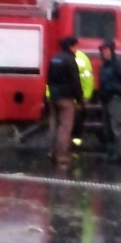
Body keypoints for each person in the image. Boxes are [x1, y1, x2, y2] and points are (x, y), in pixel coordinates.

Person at [46, 36, 85, 166]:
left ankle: (51, 152)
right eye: (76, 46)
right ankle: (61, 155)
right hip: (66, 98)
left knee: (54, 125)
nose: (77, 49)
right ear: (70, 47)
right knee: (65, 127)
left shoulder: (54, 59)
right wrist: (80, 100)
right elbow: (75, 83)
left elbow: (48, 79)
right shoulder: (70, 61)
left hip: (53, 96)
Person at [97, 39, 121, 163]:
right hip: (106, 100)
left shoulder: (118, 64)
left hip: (115, 99)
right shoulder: (104, 66)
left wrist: (116, 91)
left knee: (117, 128)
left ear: (112, 51)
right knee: (108, 129)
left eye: (106, 50)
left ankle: (120, 155)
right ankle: (110, 153)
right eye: (102, 51)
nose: (104, 53)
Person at [71, 46, 95, 149]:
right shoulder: (83, 58)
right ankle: (76, 145)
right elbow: (88, 79)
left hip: (66, 97)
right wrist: (86, 96)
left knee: (66, 123)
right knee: (77, 121)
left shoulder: (59, 57)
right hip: (77, 97)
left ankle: (69, 145)